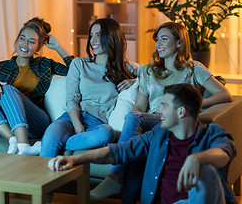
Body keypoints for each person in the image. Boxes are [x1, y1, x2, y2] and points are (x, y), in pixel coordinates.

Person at [90, 21, 232, 201]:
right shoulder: (148, 70)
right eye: (157, 39)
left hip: (175, 122)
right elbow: (140, 107)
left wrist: (193, 104)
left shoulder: (193, 68)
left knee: (136, 121)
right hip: (152, 122)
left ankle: (115, 176)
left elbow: (224, 94)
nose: (158, 44)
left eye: (164, 39)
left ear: (179, 42)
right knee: (135, 124)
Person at [48, 83, 237, 204]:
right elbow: (119, 151)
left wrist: (196, 159)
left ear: (181, 112)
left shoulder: (211, 133)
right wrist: (74, 160)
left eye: (164, 105)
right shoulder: (158, 135)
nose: (158, 110)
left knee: (207, 170)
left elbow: (223, 154)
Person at [0, 17, 73, 156]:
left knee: (7, 89)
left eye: (32, 42)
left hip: (34, 122)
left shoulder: (44, 65)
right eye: (22, 38)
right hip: (4, 126)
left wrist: (58, 47)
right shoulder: (0, 67)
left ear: (39, 46)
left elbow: (75, 71)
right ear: (17, 39)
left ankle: (23, 144)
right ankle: (14, 140)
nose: (25, 44)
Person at [40, 18, 141, 158]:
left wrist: (134, 81)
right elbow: (71, 98)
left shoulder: (125, 67)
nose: (93, 40)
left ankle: (54, 143)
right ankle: (41, 171)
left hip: (98, 124)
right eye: (91, 35)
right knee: (52, 133)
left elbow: (152, 75)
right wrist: (77, 124)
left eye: (98, 35)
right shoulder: (79, 64)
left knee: (107, 133)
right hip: (71, 118)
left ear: (112, 37)